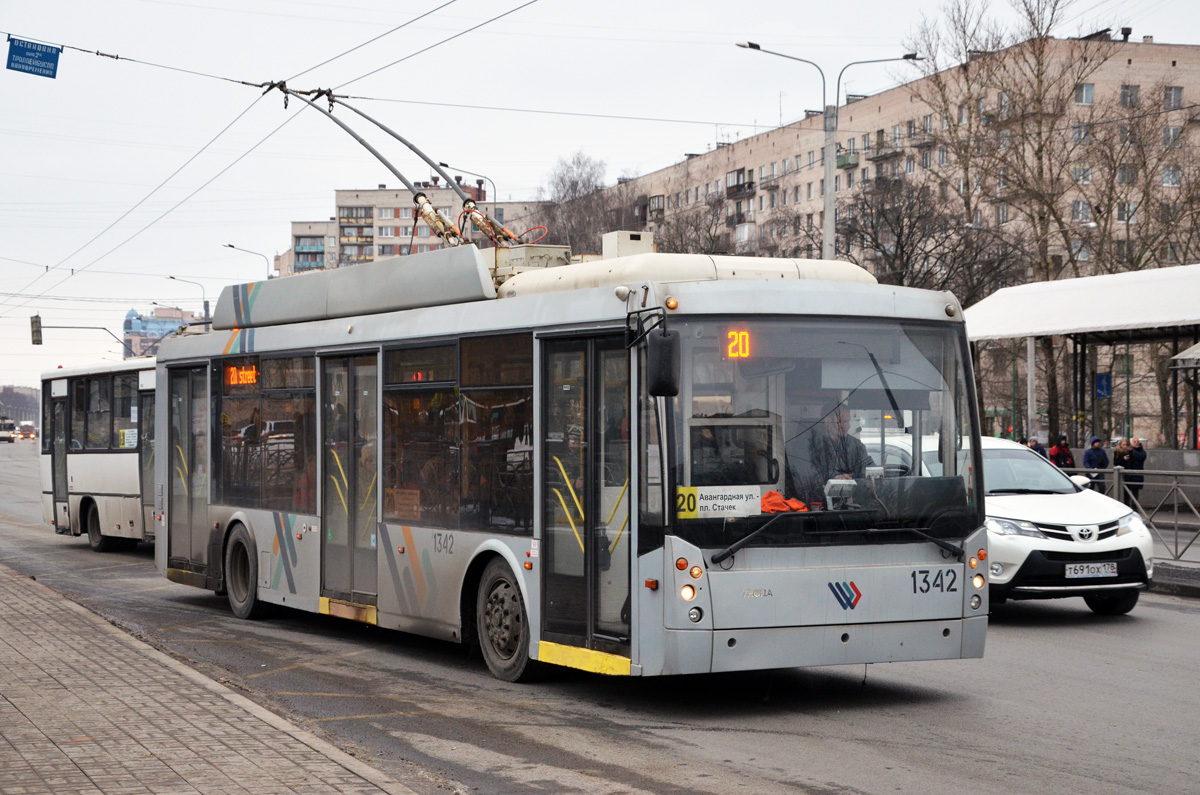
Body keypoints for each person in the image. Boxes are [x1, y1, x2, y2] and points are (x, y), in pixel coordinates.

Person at [788, 402, 875, 504]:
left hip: (853, 507)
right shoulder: (810, 445)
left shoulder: (856, 446)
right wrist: (833, 480)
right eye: (842, 421)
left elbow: (867, 469)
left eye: (848, 421)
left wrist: (871, 476)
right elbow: (806, 480)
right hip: (820, 508)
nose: (847, 426)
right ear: (827, 420)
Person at [1112, 437, 1147, 508]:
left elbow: (1140, 457)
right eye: (1123, 445)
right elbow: (1116, 462)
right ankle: (1127, 506)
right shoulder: (1118, 452)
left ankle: (1134, 507)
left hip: (1132, 473)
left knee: (1135, 492)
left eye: (1126, 445)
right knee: (1127, 492)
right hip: (1125, 474)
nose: (1125, 446)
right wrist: (1123, 459)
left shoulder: (1131, 451)